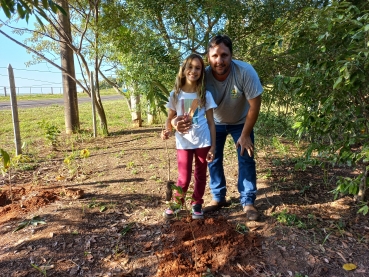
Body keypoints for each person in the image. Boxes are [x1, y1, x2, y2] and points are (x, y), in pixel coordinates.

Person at [173, 35, 263, 221]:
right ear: (208, 57)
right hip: (216, 122)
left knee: (246, 157)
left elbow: (255, 106)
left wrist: (245, 134)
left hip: (241, 121)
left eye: (224, 55)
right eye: (214, 56)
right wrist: (174, 122)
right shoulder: (202, 76)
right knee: (212, 159)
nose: (219, 60)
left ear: (231, 55)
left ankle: (247, 201)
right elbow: (183, 98)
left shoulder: (245, 72)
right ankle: (218, 197)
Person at [161, 53, 217, 220]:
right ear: (184, 70)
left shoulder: (205, 95)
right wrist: (167, 130)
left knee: (200, 175)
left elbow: (211, 122)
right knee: (183, 177)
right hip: (183, 142)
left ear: (202, 72)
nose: (194, 71)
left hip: (203, 141)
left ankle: (197, 203)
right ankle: (177, 203)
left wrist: (213, 146)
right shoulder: (175, 94)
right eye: (190, 67)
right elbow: (169, 119)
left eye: (198, 68)